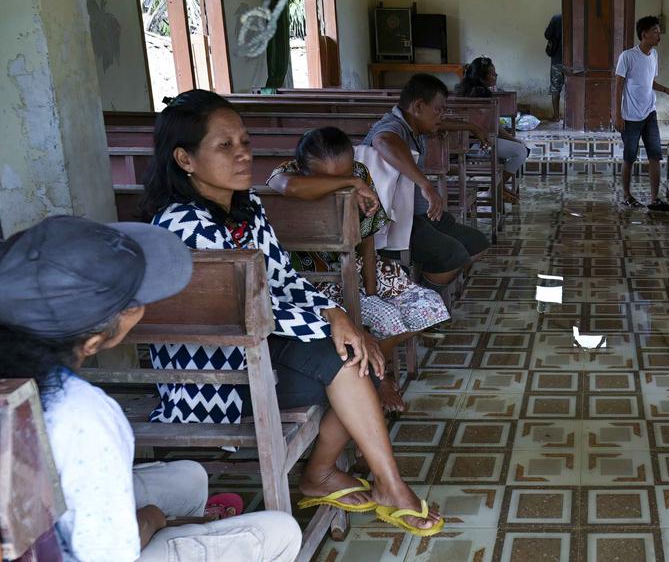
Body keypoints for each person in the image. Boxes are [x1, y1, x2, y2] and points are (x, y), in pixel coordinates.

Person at [140, 90, 443, 536]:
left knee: (363, 354)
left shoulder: (246, 208)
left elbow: (281, 279)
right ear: (185, 159)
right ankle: (386, 485)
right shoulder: (183, 223)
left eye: (244, 142)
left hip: (258, 347)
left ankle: (327, 475)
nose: (244, 154)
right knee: (350, 357)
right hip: (213, 376)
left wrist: (336, 312)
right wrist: (333, 321)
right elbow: (249, 302)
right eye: (226, 146)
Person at [0, 215, 304, 561]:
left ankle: (188, 532)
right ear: (95, 339)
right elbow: (108, 555)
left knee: (190, 477)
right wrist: (152, 519)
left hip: (37, 520)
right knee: (282, 531)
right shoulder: (82, 414)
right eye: (132, 301)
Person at [267, 127, 451, 412]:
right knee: (389, 318)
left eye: (345, 174)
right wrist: (350, 182)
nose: (339, 185)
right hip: (308, 283)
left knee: (429, 305)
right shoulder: (287, 174)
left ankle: (372, 357)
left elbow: (366, 234)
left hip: (356, 266)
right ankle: (380, 378)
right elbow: (289, 188)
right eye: (327, 180)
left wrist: (372, 288)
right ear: (302, 168)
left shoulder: (359, 173)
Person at [361, 74, 490, 291]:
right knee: (452, 254)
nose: (442, 115)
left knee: (477, 243)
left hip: (422, 216)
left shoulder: (414, 125)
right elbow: (383, 142)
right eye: (438, 109)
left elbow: (439, 125)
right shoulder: (393, 127)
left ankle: (422, 291)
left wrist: (470, 127)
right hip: (398, 221)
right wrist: (425, 185)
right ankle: (421, 303)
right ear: (418, 106)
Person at [457, 57, 531, 204]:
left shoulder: (461, 90)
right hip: (479, 145)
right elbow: (494, 128)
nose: (496, 75)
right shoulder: (482, 95)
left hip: (462, 144)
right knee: (521, 151)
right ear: (482, 77)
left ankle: (499, 187)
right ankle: (495, 188)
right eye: (492, 73)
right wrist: (516, 140)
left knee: (517, 147)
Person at [615, 15, 669, 211]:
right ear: (644, 34)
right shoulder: (627, 56)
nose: (658, 35)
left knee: (655, 155)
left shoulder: (653, 55)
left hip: (649, 113)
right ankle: (627, 195)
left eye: (658, 31)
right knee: (629, 156)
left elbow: (650, 82)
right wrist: (617, 114)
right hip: (630, 116)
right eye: (655, 31)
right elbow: (618, 86)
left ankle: (655, 199)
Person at [545, 14, 564, 121]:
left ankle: (556, 116)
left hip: (557, 59)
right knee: (573, 89)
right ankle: (572, 116)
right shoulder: (578, 17)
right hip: (575, 60)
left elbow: (547, 35)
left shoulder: (556, 18)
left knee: (555, 88)